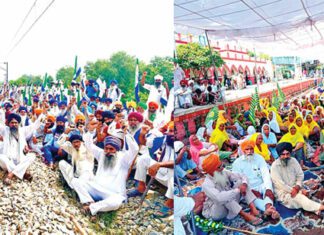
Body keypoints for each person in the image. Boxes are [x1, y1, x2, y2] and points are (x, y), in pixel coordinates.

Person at [71, 131, 138, 216]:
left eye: (111, 149)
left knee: (116, 202)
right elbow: (89, 145)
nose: (108, 151)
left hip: (111, 194)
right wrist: (90, 131)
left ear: (117, 150)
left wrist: (127, 134)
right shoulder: (101, 154)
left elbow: (135, 149)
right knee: (75, 181)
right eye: (106, 148)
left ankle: (91, 208)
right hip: (96, 188)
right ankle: (88, 201)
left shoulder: (124, 159)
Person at [201, 154, 263, 225]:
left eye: (221, 164)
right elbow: (219, 197)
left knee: (241, 182)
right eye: (219, 167)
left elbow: (242, 176)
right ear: (211, 171)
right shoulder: (207, 184)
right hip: (217, 211)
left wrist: (244, 184)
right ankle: (245, 215)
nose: (222, 167)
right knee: (224, 197)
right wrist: (237, 190)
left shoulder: (223, 172)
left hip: (231, 204)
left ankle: (253, 209)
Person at [271, 142, 324, 215]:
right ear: (279, 155)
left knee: (305, 193)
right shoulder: (274, 166)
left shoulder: (293, 161)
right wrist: (293, 190)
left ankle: (315, 210)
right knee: (300, 198)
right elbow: (280, 184)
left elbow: (300, 175)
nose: (286, 156)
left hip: (296, 187)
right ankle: (320, 207)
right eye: (283, 154)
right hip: (283, 192)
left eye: (287, 154)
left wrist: (297, 186)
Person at [232, 139, 280, 219]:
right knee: (250, 196)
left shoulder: (259, 158)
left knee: (269, 186)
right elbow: (237, 180)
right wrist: (247, 188)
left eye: (251, 149)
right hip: (249, 187)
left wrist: (268, 188)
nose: (249, 151)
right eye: (247, 149)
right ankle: (268, 209)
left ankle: (268, 208)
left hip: (261, 184)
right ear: (243, 150)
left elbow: (265, 174)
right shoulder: (237, 163)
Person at [0, 113, 44, 185]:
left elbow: (34, 125)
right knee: (1, 157)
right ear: (9, 123)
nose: (14, 124)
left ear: (18, 123)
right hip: (8, 161)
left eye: (16, 123)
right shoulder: (5, 130)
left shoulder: (22, 130)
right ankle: (22, 173)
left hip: (20, 160)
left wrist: (43, 114)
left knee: (32, 156)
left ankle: (11, 174)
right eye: (12, 123)